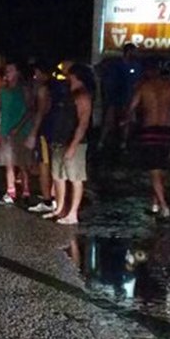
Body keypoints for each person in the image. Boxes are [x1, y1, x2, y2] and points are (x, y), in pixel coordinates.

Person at [122, 59, 170, 217]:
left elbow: (131, 108)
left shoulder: (143, 87)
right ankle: (155, 204)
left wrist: (126, 124)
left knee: (154, 170)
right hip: (167, 131)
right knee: (161, 168)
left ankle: (163, 206)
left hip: (149, 131)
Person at [48, 63, 94, 224]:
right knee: (58, 175)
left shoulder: (82, 95)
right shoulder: (69, 93)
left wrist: (74, 144)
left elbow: (83, 122)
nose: (66, 76)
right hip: (60, 139)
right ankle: (59, 209)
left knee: (75, 178)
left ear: (76, 76)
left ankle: (73, 213)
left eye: (69, 74)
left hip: (74, 142)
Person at [0, 61, 32, 206]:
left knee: (22, 163)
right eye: (6, 70)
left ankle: (26, 192)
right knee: (8, 163)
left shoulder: (23, 90)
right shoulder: (2, 90)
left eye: (11, 70)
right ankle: (11, 192)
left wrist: (19, 127)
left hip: (21, 131)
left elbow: (29, 110)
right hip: (5, 130)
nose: (7, 73)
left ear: (17, 73)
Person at [25, 61, 56, 214]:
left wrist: (33, 133)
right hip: (56, 131)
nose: (35, 75)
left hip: (45, 131)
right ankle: (54, 196)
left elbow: (41, 112)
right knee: (53, 165)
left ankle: (47, 201)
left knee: (44, 165)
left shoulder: (43, 89)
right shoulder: (58, 87)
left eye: (37, 72)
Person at [98, 43, 142, 152]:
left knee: (126, 120)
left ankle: (123, 143)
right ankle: (101, 142)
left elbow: (138, 82)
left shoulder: (136, 66)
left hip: (128, 97)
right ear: (128, 51)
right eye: (133, 51)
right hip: (114, 97)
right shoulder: (115, 64)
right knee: (109, 119)